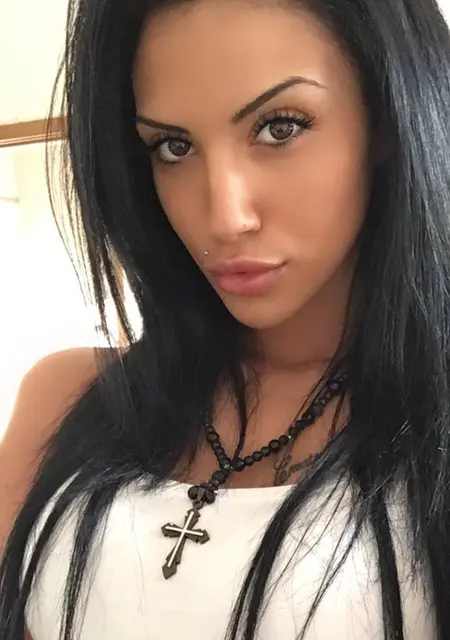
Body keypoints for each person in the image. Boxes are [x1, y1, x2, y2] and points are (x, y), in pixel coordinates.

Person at [1, 0, 450, 637]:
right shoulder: (67, 400)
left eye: (280, 128)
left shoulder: (429, 422)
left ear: (386, 120)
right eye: (174, 146)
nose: (223, 217)